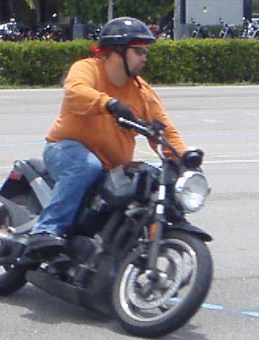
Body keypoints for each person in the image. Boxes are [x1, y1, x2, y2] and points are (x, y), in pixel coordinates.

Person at [25, 17, 188, 255]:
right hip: (66, 150)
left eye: (145, 51)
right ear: (117, 51)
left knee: (150, 181)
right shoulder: (87, 69)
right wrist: (109, 103)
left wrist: (183, 162)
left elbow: (164, 130)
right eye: (139, 50)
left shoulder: (142, 93)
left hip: (112, 166)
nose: (145, 57)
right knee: (87, 166)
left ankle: (145, 246)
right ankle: (45, 231)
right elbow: (75, 92)